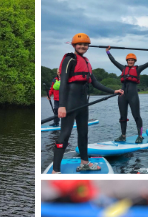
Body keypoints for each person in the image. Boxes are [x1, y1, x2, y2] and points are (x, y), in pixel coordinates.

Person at [53, 33, 124, 173]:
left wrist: (113, 91)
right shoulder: (69, 59)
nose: (83, 46)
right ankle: (56, 170)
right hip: (69, 103)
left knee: (84, 133)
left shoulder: (86, 62)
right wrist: (61, 105)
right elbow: (63, 84)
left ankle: (84, 163)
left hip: (83, 104)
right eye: (80, 44)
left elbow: (95, 83)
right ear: (74, 45)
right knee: (65, 134)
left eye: (86, 44)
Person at [107, 48, 148, 143]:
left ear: (134, 61)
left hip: (133, 96)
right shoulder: (123, 68)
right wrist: (108, 52)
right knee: (122, 117)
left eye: (132, 60)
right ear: (127, 61)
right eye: (129, 60)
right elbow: (113, 61)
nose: (130, 61)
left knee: (136, 116)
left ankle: (140, 135)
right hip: (122, 96)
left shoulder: (138, 69)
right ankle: (123, 135)